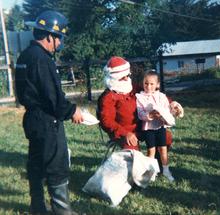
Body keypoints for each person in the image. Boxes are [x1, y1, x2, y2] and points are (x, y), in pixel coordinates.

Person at [15, 10, 83, 214]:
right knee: (56, 166)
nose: (60, 43)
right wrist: (72, 111)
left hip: (32, 119)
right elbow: (52, 97)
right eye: (59, 37)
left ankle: (37, 208)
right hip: (47, 121)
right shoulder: (42, 59)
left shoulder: (25, 55)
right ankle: (62, 211)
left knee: (36, 164)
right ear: (49, 36)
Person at [135, 71, 178, 182]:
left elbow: (167, 110)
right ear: (143, 83)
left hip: (160, 127)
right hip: (148, 128)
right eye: (146, 83)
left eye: (151, 84)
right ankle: (151, 172)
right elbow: (140, 114)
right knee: (151, 151)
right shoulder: (140, 97)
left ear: (157, 84)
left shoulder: (161, 96)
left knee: (163, 150)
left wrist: (172, 110)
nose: (148, 86)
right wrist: (150, 115)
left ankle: (166, 170)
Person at [98, 56, 141, 150]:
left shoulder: (133, 88)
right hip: (121, 132)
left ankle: (160, 164)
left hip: (141, 128)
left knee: (165, 137)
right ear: (114, 78)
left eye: (127, 75)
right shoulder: (108, 97)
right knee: (132, 148)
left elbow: (153, 94)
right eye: (122, 77)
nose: (126, 79)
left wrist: (171, 104)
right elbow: (107, 121)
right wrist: (125, 133)